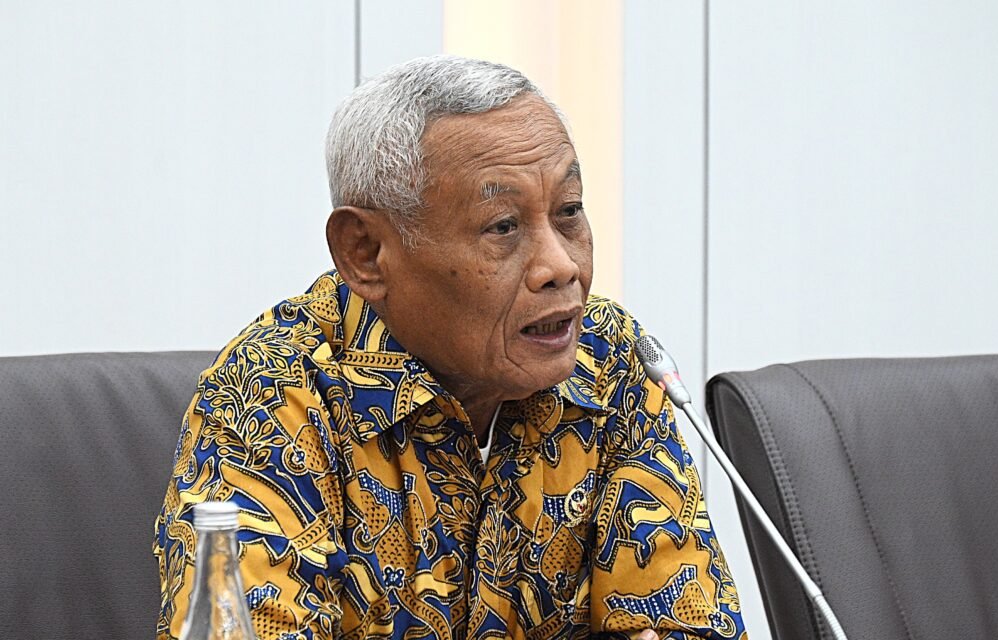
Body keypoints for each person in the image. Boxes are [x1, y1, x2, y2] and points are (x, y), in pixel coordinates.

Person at [154, 55, 746, 640]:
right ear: (365, 253)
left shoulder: (609, 359)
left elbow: (689, 624)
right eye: (503, 226)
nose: (561, 266)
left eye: (568, 212)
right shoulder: (269, 393)